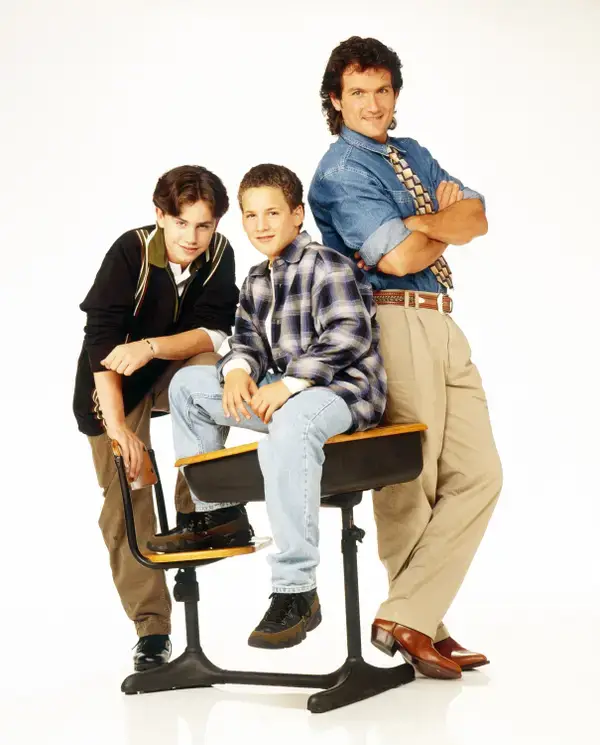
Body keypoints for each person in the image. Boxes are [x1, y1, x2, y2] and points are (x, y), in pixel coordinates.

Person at [308, 36, 503, 679]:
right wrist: (434, 221)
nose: (372, 104)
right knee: (410, 480)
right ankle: (424, 625)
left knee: (479, 474)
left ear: (395, 94)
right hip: (391, 318)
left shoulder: (412, 152)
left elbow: (478, 218)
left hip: (442, 318)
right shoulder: (340, 171)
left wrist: (423, 225)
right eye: (357, 92)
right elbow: (395, 259)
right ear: (336, 100)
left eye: (383, 90)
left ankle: (408, 615)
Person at [161, 163, 386, 649]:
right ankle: (220, 517)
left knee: (293, 422)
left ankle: (296, 589)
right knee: (188, 386)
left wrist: (290, 384)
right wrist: (237, 370)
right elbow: (246, 341)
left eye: (272, 213)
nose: (261, 225)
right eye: (250, 215)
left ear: (297, 214)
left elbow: (349, 333)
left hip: (344, 395)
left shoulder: (327, 264)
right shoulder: (257, 280)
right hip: (281, 397)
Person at [73, 165, 247, 671]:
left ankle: (201, 510)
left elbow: (214, 333)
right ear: (160, 216)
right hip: (113, 386)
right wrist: (120, 431)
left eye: (204, 225)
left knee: (211, 368)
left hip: (168, 370)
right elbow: (101, 344)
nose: (192, 237)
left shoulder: (220, 253)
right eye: (181, 223)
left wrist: (150, 348)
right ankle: (152, 629)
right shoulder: (129, 252)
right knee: (127, 497)